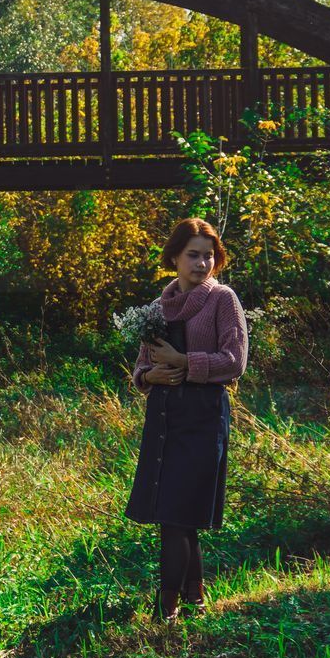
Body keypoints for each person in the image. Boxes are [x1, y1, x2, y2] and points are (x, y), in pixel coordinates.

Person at [126, 218, 249, 622]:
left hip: (202, 416)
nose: (201, 263)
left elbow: (235, 362)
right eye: (193, 255)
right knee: (177, 516)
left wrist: (185, 363)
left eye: (208, 256)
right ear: (175, 258)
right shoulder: (159, 306)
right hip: (164, 418)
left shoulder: (222, 300)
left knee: (177, 516)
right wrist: (149, 377)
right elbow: (142, 366)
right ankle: (194, 598)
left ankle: (166, 609)